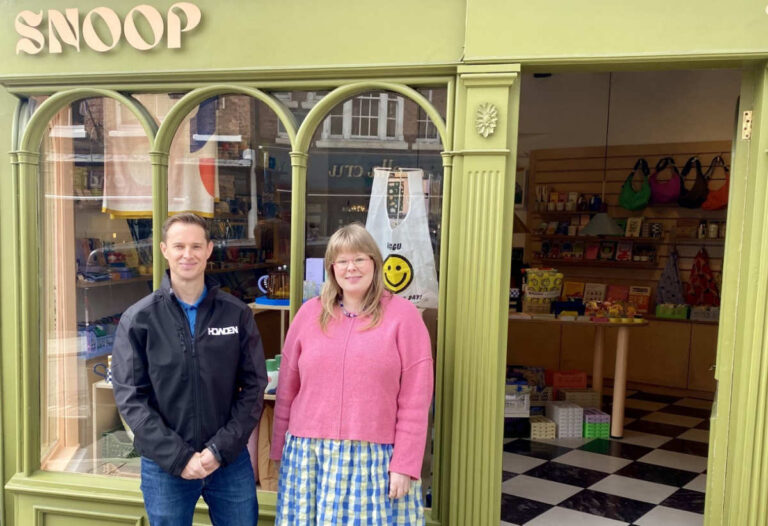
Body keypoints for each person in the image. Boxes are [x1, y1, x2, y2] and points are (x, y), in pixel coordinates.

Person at [270, 223, 434, 525]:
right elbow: (287, 390)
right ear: (332, 268)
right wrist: (279, 449)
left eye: (359, 258)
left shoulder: (404, 317)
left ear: (375, 262)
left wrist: (405, 464)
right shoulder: (308, 314)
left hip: (373, 459)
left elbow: (416, 399)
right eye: (342, 260)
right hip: (308, 456)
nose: (351, 267)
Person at [112, 213, 268, 526]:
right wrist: (179, 457)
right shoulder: (139, 319)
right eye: (179, 246)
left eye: (196, 246)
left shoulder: (236, 314)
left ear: (209, 250)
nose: (188, 254)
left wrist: (219, 449)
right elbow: (131, 398)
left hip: (228, 461)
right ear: (164, 250)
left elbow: (254, 387)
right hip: (165, 464)